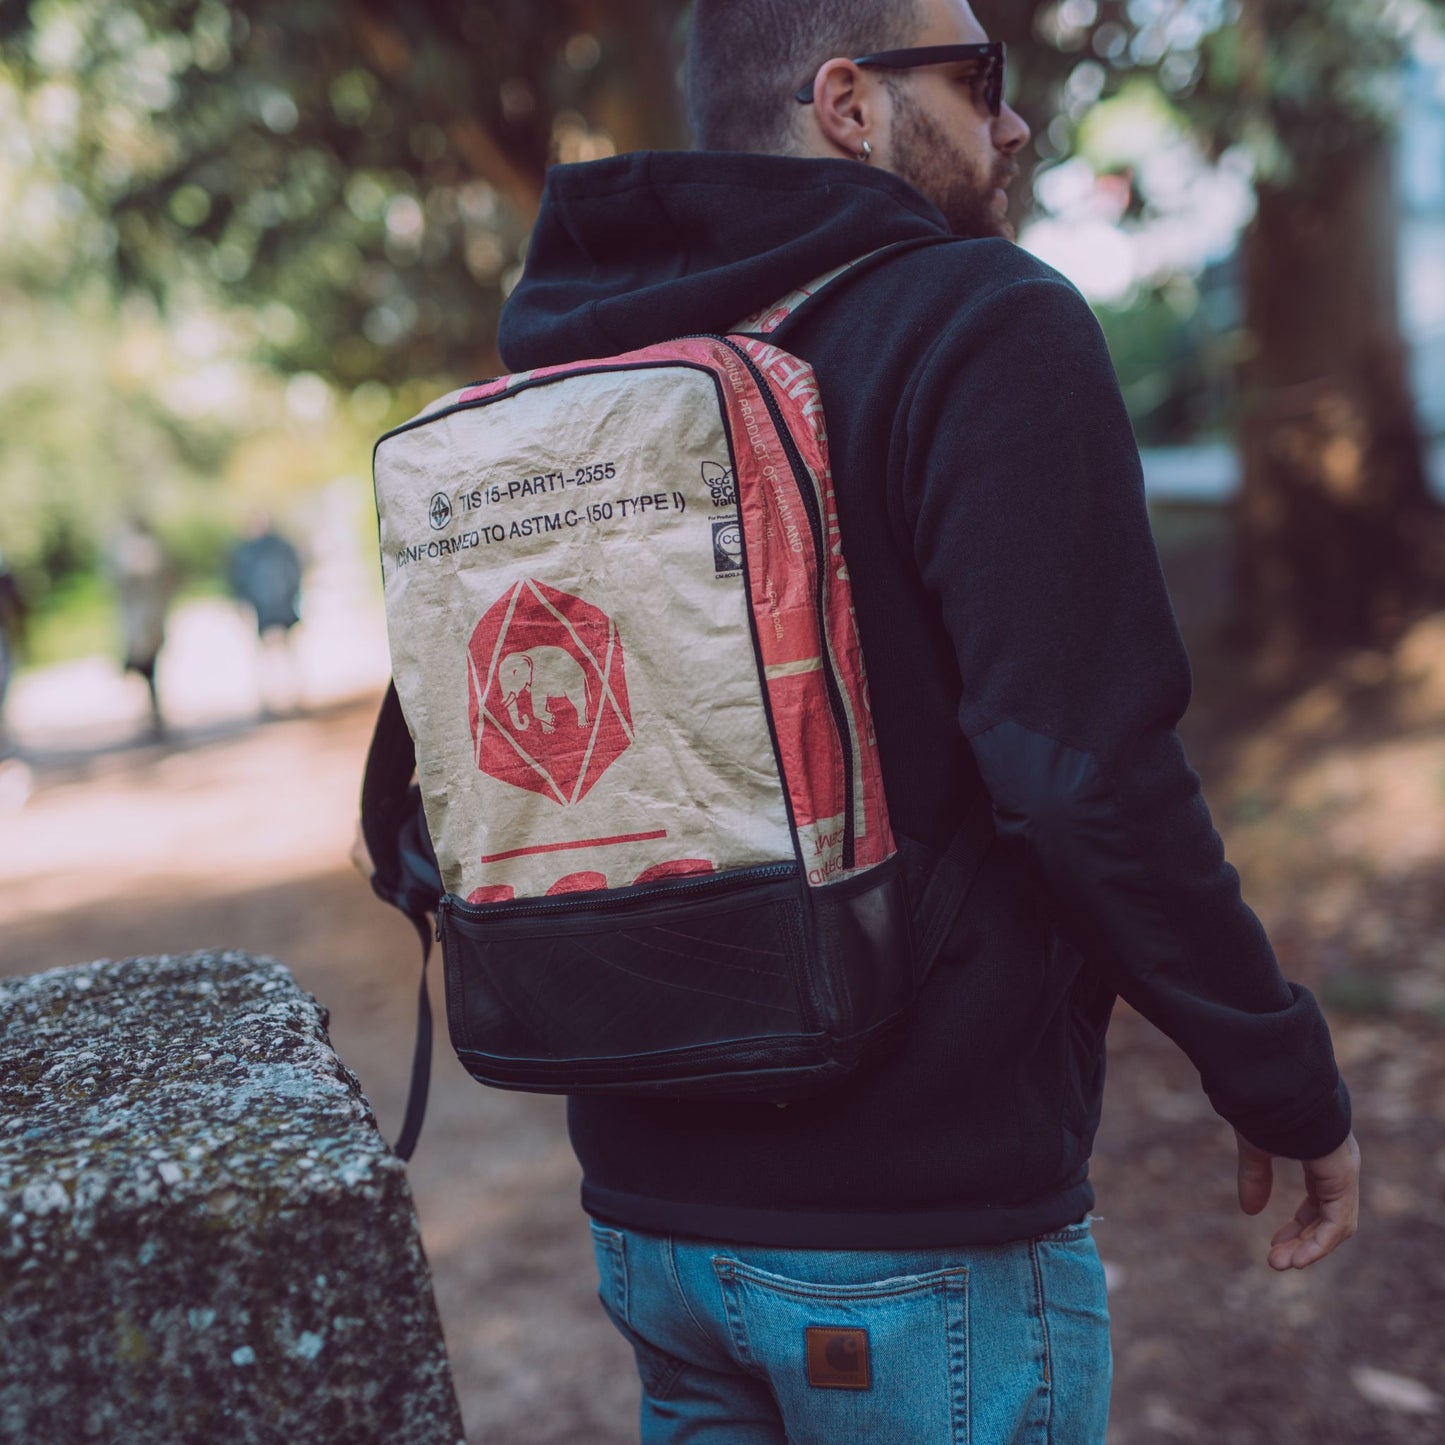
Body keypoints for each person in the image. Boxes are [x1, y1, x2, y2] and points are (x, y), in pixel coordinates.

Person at [490, 2, 1360, 1440]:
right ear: (848, 104)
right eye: (976, 79)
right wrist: (1280, 1071)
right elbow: (1084, 776)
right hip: (912, 1227)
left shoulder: (585, 370)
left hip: (649, 1213)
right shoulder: (983, 317)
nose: (1012, 122)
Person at [228, 513, 304, 717]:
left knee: (284, 653)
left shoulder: (265, 549)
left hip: (278, 606)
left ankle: (290, 697)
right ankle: (270, 700)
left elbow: (293, 573)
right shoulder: (251, 551)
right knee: (270, 655)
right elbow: (239, 580)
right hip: (267, 608)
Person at [109, 515, 174, 738]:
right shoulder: (143, 550)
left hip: (144, 619)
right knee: (145, 666)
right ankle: (150, 710)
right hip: (143, 618)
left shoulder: (133, 551)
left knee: (146, 665)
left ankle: (152, 711)